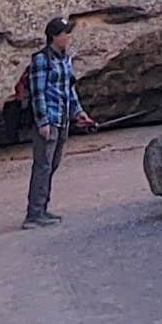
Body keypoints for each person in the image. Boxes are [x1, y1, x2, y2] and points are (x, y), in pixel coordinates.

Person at [19, 16, 101, 227]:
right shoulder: (41, 60)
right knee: (43, 166)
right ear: (54, 36)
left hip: (63, 119)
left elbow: (69, 89)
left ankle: (43, 209)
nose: (68, 37)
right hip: (49, 121)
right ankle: (34, 214)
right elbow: (38, 93)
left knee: (51, 165)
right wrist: (43, 122)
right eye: (65, 33)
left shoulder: (65, 59)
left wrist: (79, 113)